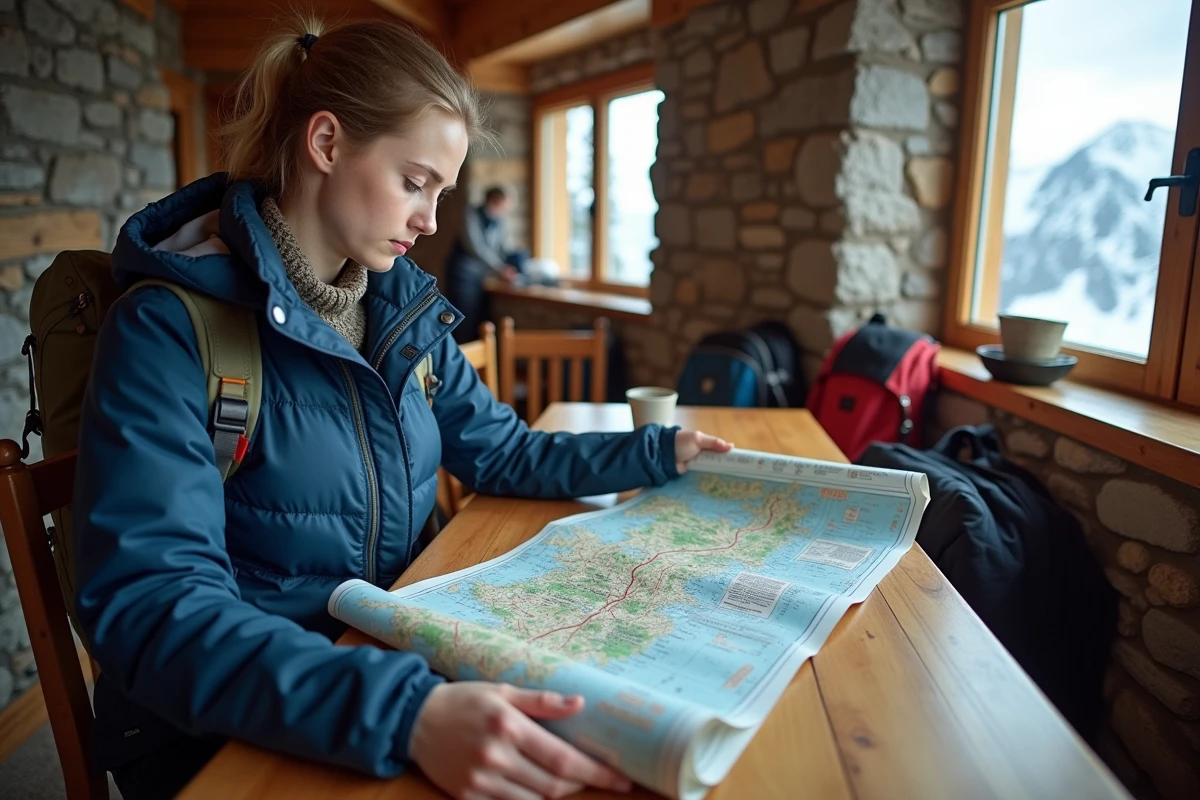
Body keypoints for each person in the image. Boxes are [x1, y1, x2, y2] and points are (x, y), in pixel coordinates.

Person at [72, 14, 734, 800]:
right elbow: (155, 603)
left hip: (393, 658)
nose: (429, 220)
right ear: (325, 144)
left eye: (441, 192)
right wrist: (406, 711)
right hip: (230, 725)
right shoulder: (168, 330)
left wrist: (655, 453)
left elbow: (504, 453)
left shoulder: (398, 313)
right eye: (414, 182)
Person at [446, 185, 520, 343]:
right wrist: (500, 269)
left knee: (479, 319)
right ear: (496, 200)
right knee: (463, 317)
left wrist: (509, 267)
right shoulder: (470, 214)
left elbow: (501, 247)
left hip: (481, 276)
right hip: (462, 274)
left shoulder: (499, 221)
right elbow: (475, 247)